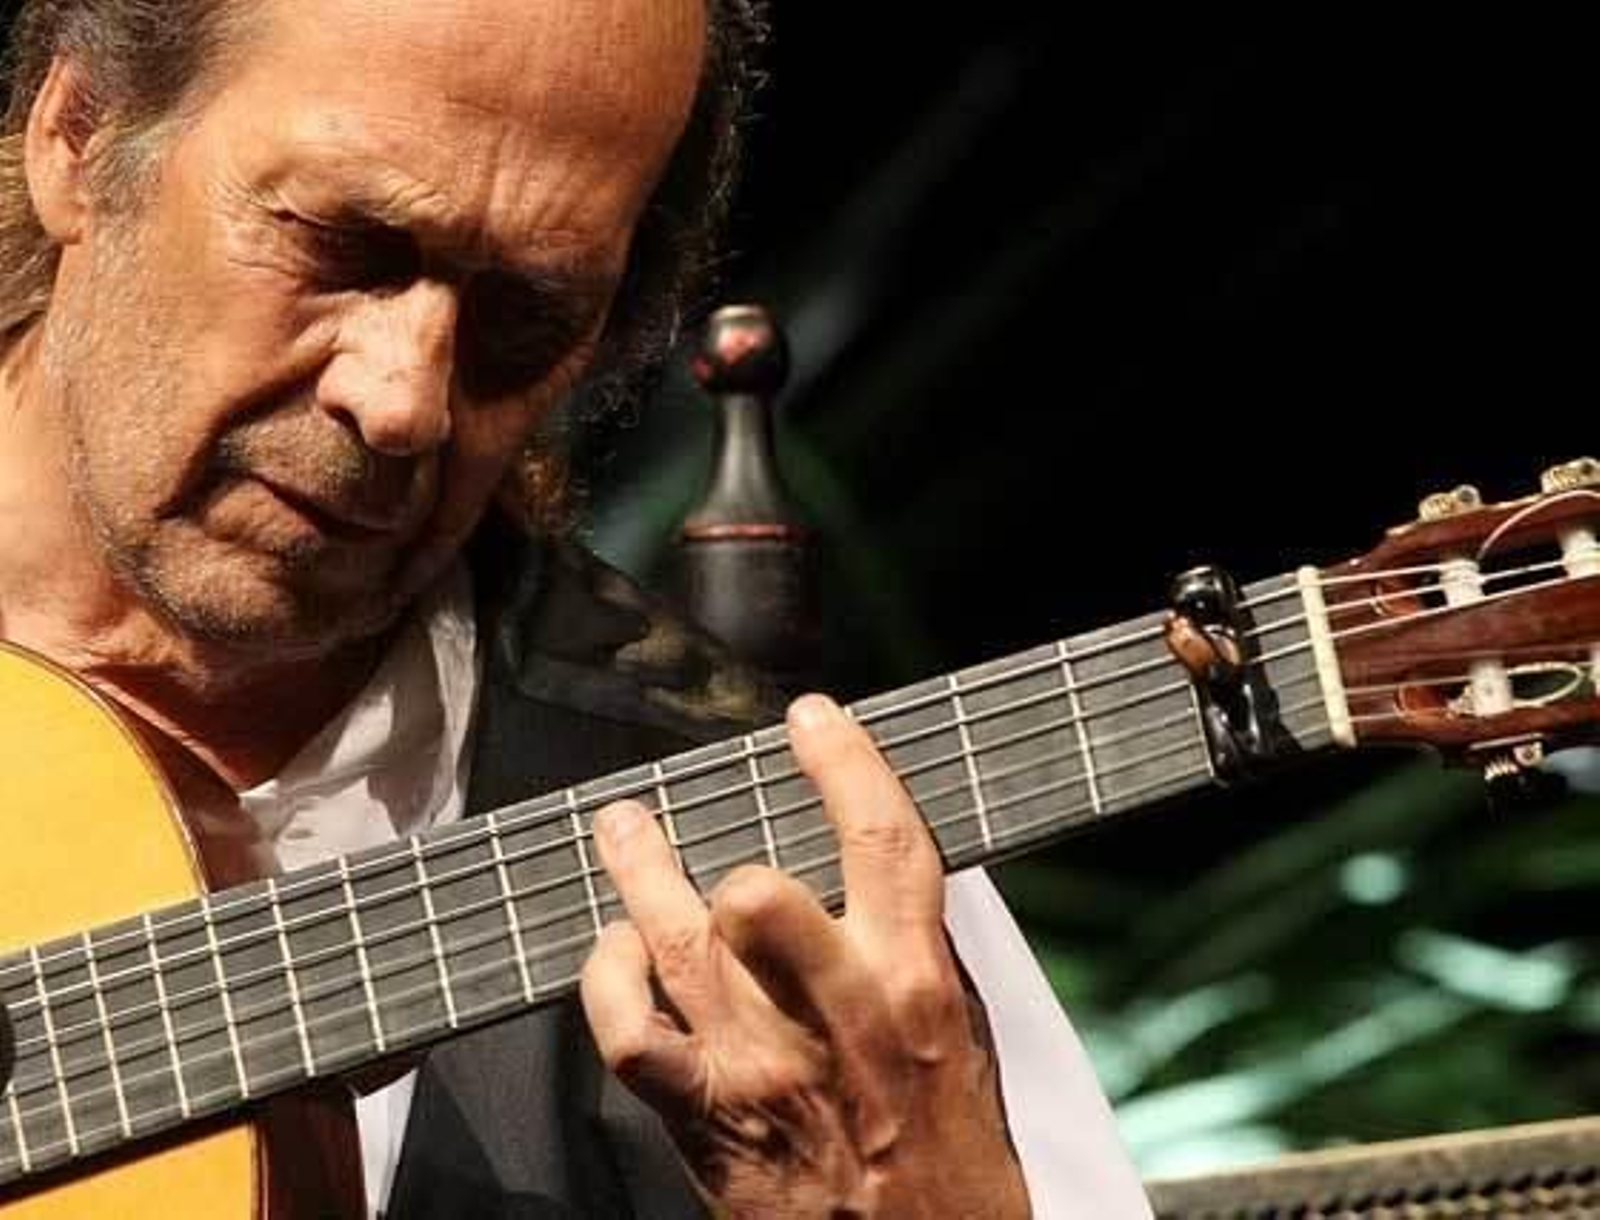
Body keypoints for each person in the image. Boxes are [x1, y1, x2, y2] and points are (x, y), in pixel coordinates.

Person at [0, 0, 1153, 1215]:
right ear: (78, 134)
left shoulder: (805, 863)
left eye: (524, 315)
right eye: (340, 243)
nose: (403, 400)